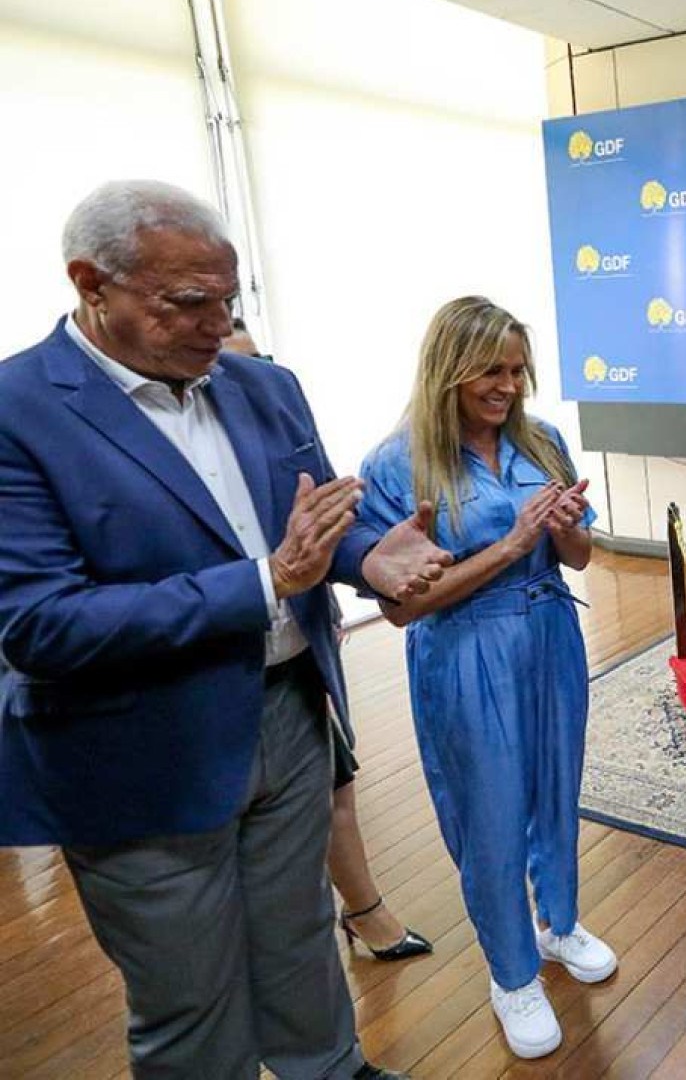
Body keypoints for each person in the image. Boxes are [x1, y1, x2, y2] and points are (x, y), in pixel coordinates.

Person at [0, 179, 449, 1079]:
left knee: (298, 943)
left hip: (286, 711)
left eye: (228, 300)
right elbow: (39, 624)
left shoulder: (264, 386)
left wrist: (372, 558)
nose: (217, 324)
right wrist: (264, 582)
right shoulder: (18, 411)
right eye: (188, 303)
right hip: (137, 748)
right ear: (91, 283)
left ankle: (331, 1067)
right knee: (190, 997)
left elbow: (317, 523)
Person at [357, 296, 610, 1060]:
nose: (507, 387)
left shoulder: (544, 439)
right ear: (448, 372)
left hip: (550, 632)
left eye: (516, 370)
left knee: (554, 790)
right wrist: (510, 545)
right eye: (490, 373)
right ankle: (512, 975)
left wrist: (565, 529)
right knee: (491, 813)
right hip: (466, 647)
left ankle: (557, 925)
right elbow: (401, 610)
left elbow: (579, 558)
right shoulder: (398, 464)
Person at [224, 318, 432, 962]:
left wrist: (366, 562)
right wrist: (273, 579)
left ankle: (359, 921)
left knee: (333, 791)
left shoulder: (276, 393)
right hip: (200, 694)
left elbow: (331, 525)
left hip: (295, 669)